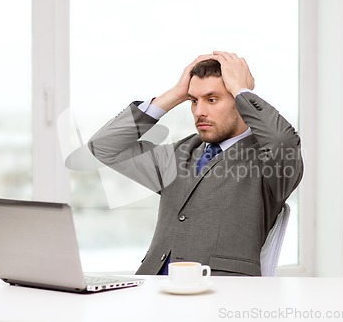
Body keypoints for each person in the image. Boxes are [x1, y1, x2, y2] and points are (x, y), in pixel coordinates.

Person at [88, 51, 303, 276]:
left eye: (212, 99)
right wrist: (174, 95)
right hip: (153, 291)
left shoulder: (270, 163)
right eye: (193, 101)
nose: (199, 112)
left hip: (221, 295)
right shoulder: (180, 153)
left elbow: (282, 140)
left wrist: (242, 91)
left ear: (240, 104)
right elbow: (103, 146)